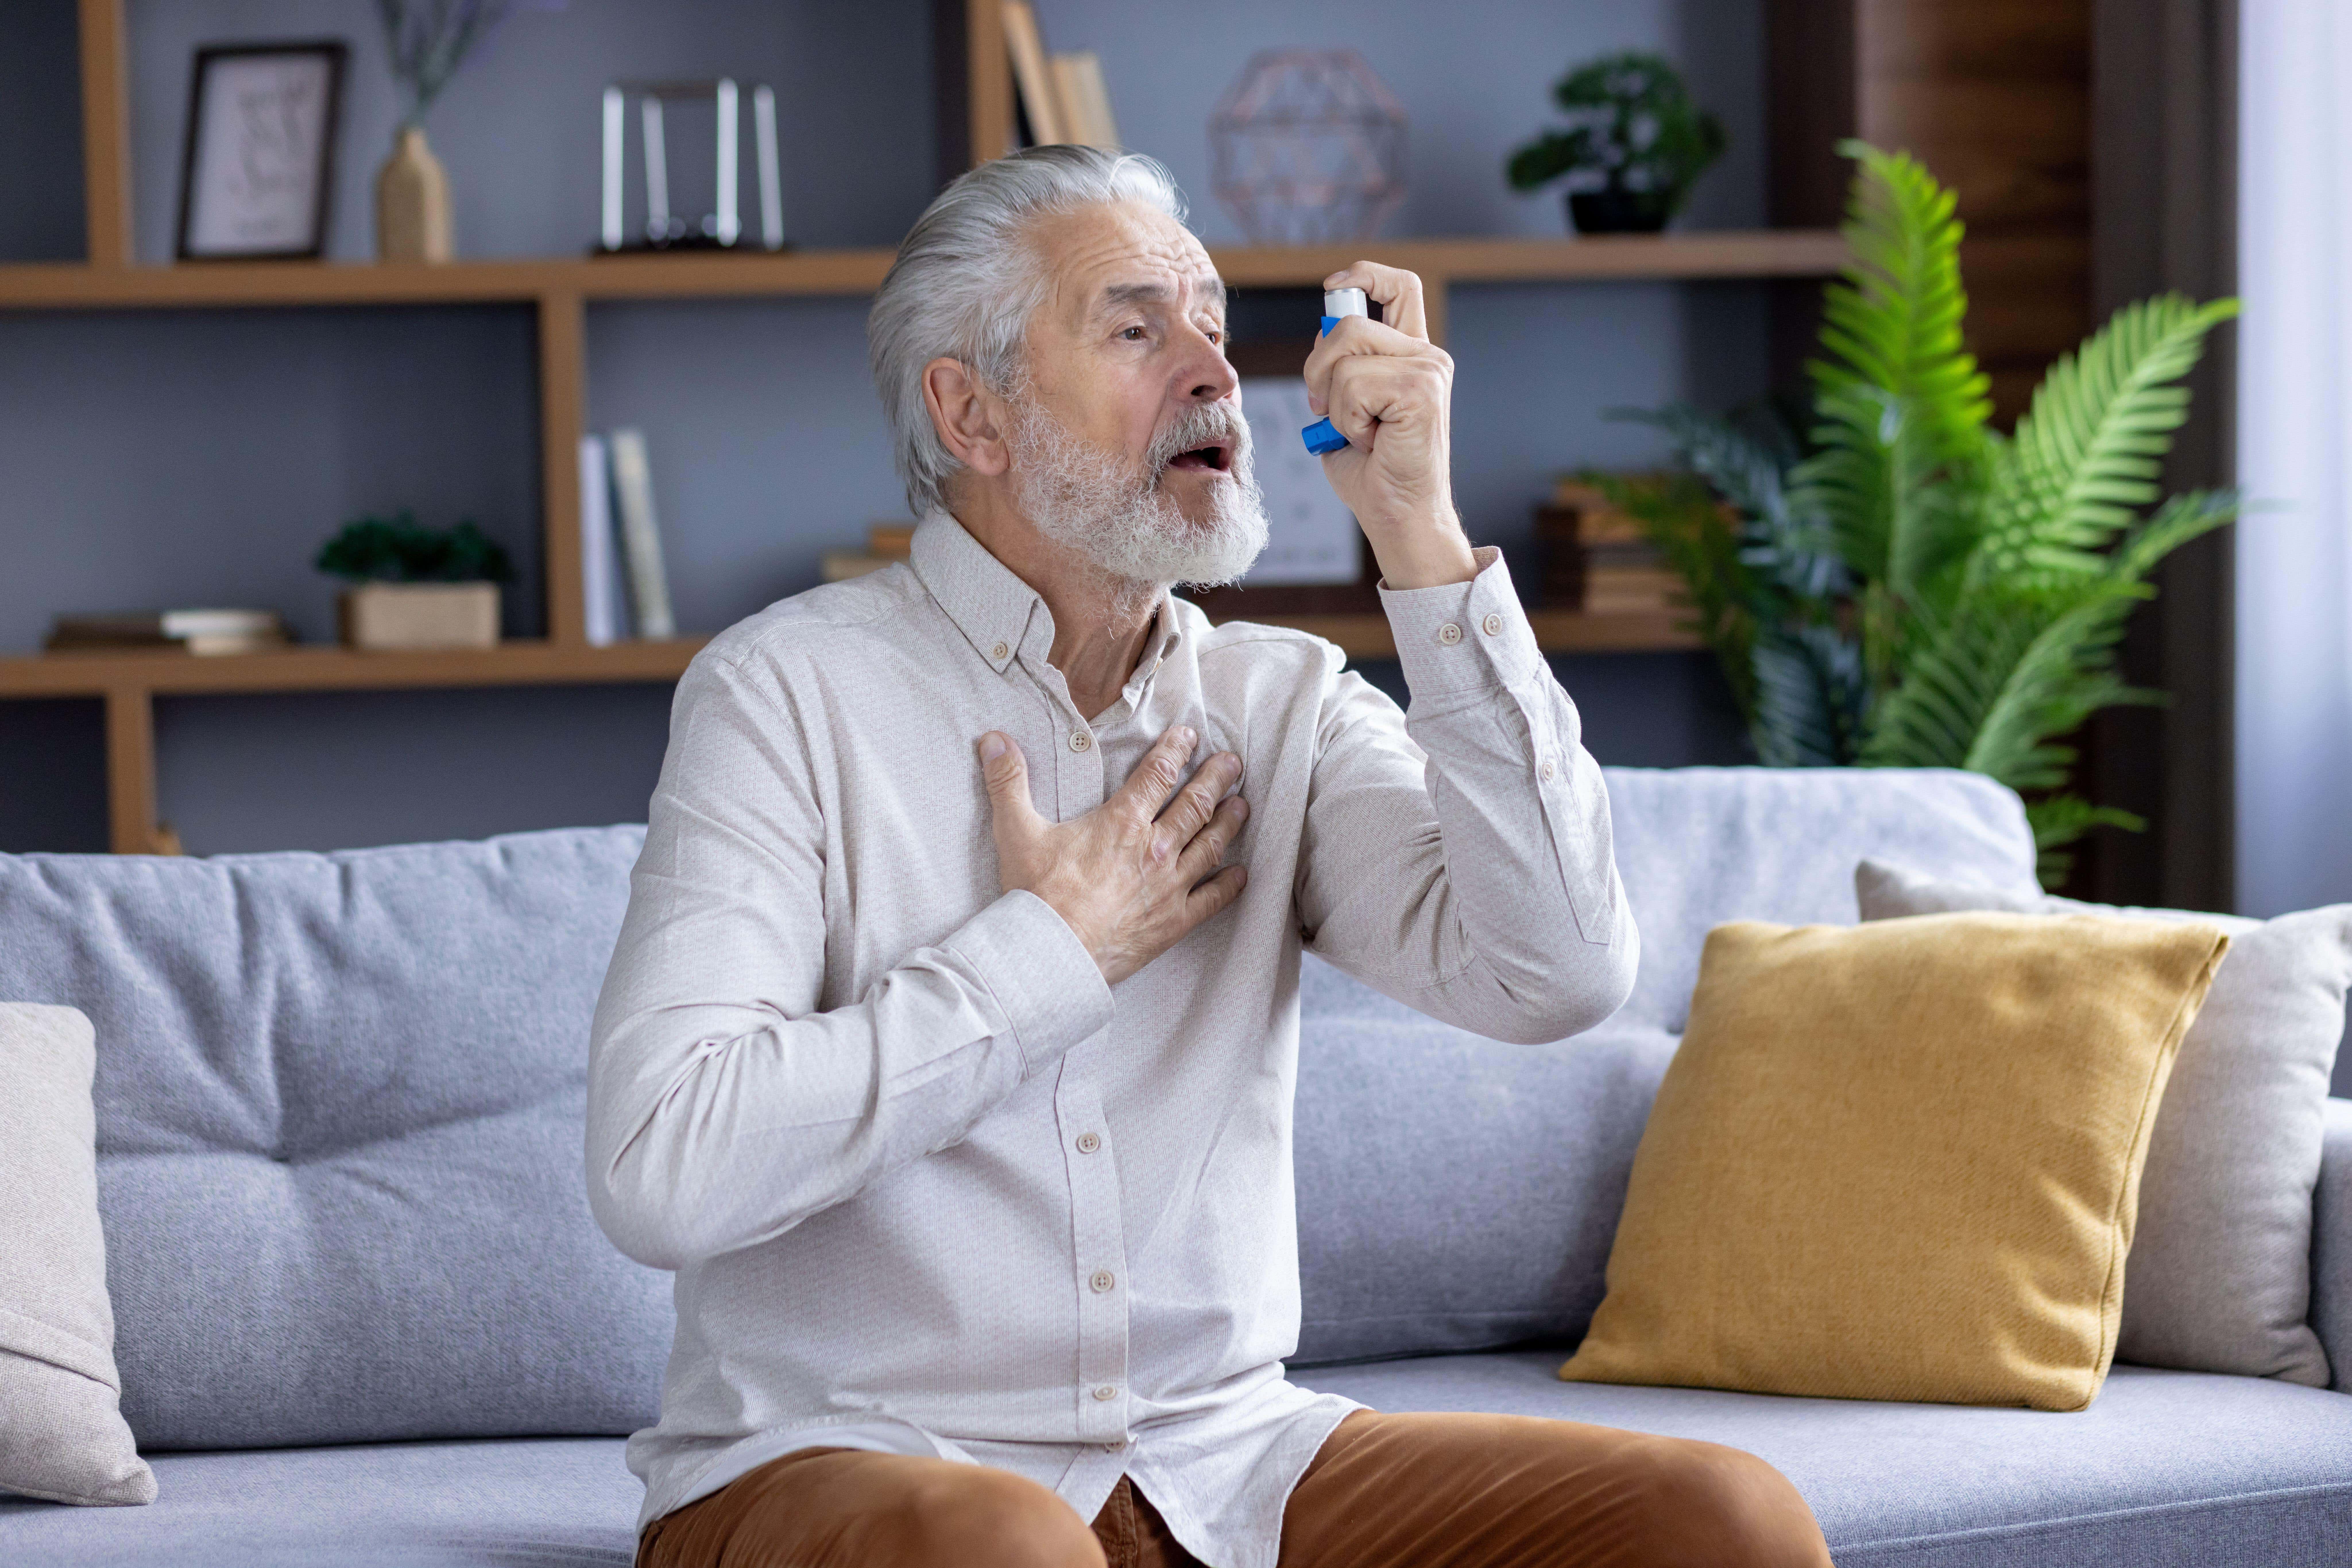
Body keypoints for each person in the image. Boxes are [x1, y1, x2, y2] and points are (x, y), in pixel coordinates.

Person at [586, 145, 1832, 1568]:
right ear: (971, 412)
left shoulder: (1276, 702)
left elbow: (1555, 975)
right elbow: (658, 1166)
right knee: (1005, 1551)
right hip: (847, 1463)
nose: (1214, 373)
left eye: (1214, 329)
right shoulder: (784, 692)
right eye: (1135, 329)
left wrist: (1416, 536)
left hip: (1219, 1459)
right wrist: (1051, 953)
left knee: (1720, 1522)